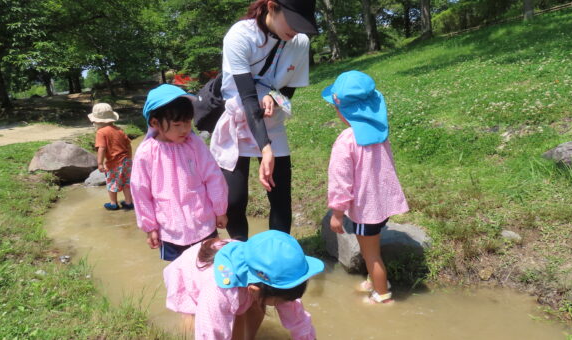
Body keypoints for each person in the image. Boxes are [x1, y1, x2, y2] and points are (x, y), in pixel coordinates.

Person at [210, 0, 318, 241]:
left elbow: (289, 88)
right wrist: (264, 148)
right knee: (234, 200)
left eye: (302, 25)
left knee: (280, 197)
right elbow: (248, 98)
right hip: (237, 119)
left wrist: (273, 96)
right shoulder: (240, 36)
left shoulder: (299, 42)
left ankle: (279, 259)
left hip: (272, 121)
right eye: (292, 22)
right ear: (272, 7)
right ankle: (242, 255)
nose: (296, 30)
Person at [323, 71, 410, 304]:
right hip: (381, 203)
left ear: (342, 111)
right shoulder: (380, 134)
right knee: (373, 246)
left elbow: (340, 181)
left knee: (371, 254)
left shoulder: (346, 140)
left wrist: (337, 213)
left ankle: (382, 295)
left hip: (366, 209)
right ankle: (374, 280)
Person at [163, 230, 324, 339]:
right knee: (197, 322)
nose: (285, 304)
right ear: (253, 290)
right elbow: (210, 334)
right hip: (193, 273)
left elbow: (298, 320)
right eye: (281, 301)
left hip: (240, 278)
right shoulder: (216, 293)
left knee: (253, 310)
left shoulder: (283, 277)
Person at [130, 84, 229, 261]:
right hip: (170, 230)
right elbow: (140, 191)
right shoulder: (146, 153)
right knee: (178, 275)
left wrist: (220, 209)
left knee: (209, 269)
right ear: (155, 123)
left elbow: (213, 176)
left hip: (203, 224)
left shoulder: (194, 144)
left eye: (188, 122)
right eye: (177, 124)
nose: (184, 129)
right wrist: (150, 227)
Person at [87, 103, 134, 211]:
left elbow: (102, 148)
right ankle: (128, 202)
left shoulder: (101, 132)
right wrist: (129, 158)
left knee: (112, 182)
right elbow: (128, 145)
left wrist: (99, 163)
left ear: (97, 121)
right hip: (126, 161)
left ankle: (113, 203)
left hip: (114, 163)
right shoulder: (119, 130)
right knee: (127, 182)